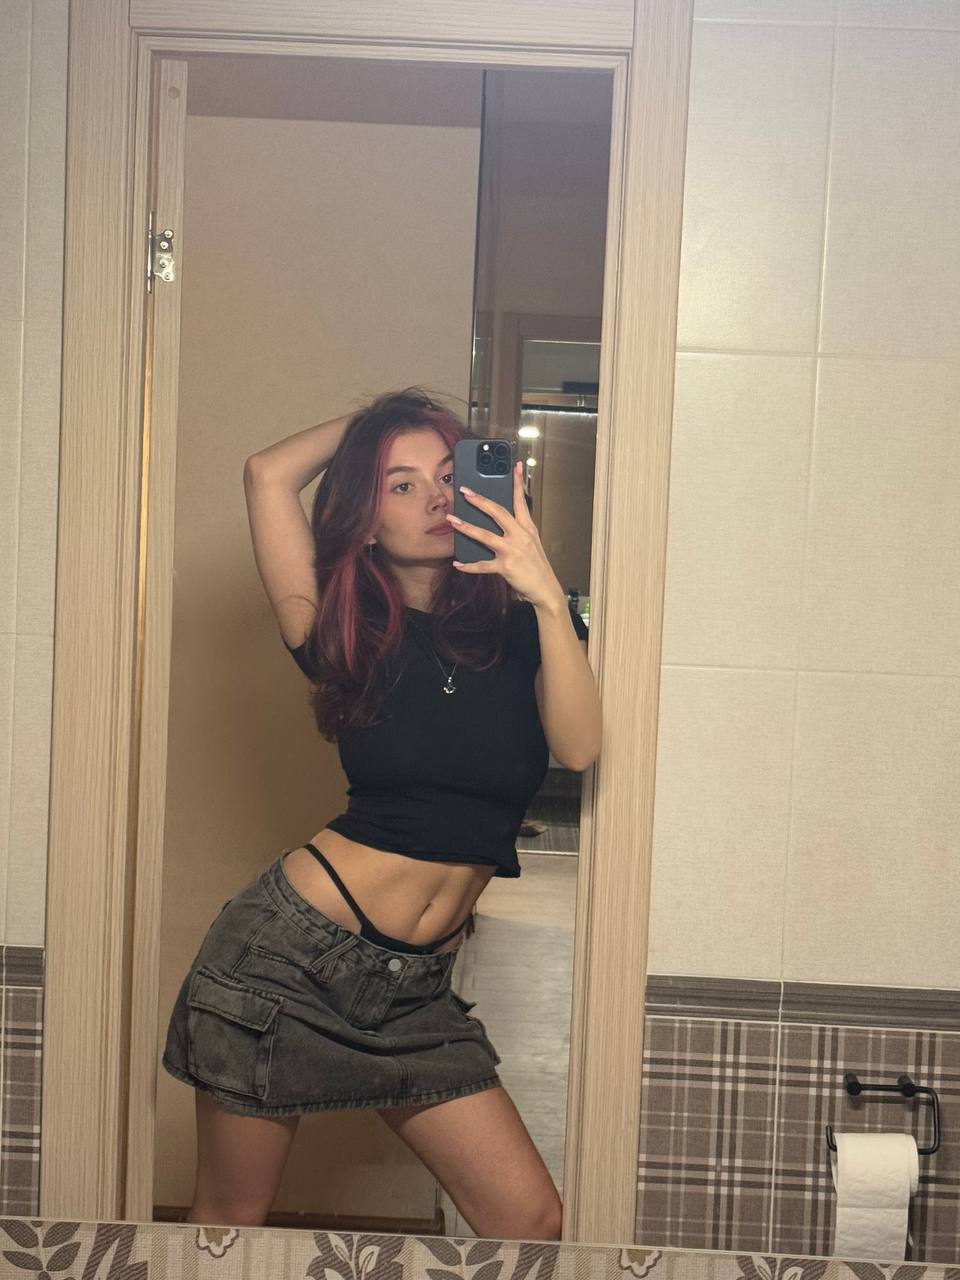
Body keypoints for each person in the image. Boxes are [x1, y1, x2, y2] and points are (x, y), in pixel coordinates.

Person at [160, 387, 602, 1240]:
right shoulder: (339, 629)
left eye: (448, 475)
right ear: (364, 520)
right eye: (401, 484)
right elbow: (267, 473)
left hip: (416, 992)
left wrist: (547, 593)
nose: (436, 496)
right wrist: (384, 416)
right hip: (286, 963)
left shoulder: (520, 632)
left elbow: (580, 749)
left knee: (530, 1221)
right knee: (229, 1226)